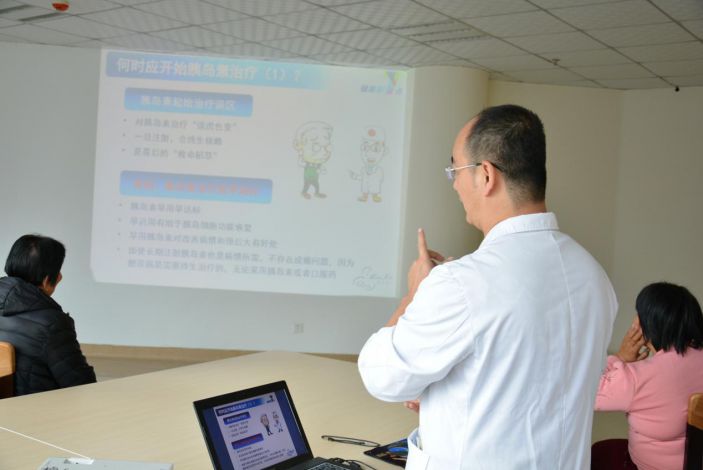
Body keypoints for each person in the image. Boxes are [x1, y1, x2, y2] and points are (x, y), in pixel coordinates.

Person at [357, 104, 618, 469]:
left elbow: (382, 377)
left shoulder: (462, 283)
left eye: (455, 170)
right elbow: (533, 385)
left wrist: (413, 295)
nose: (454, 184)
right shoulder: (593, 275)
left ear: (485, 175)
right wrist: (442, 394)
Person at [593, 282, 703, 470]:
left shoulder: (639, 377)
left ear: (646, 324)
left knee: (599, 452)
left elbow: (589, 395)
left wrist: (620, 357)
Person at [0, 234, 96, 396]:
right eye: (58, 271)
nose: (60, 277)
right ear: (46, 280)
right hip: (37, 409)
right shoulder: (53, 323)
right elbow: (81, 384)